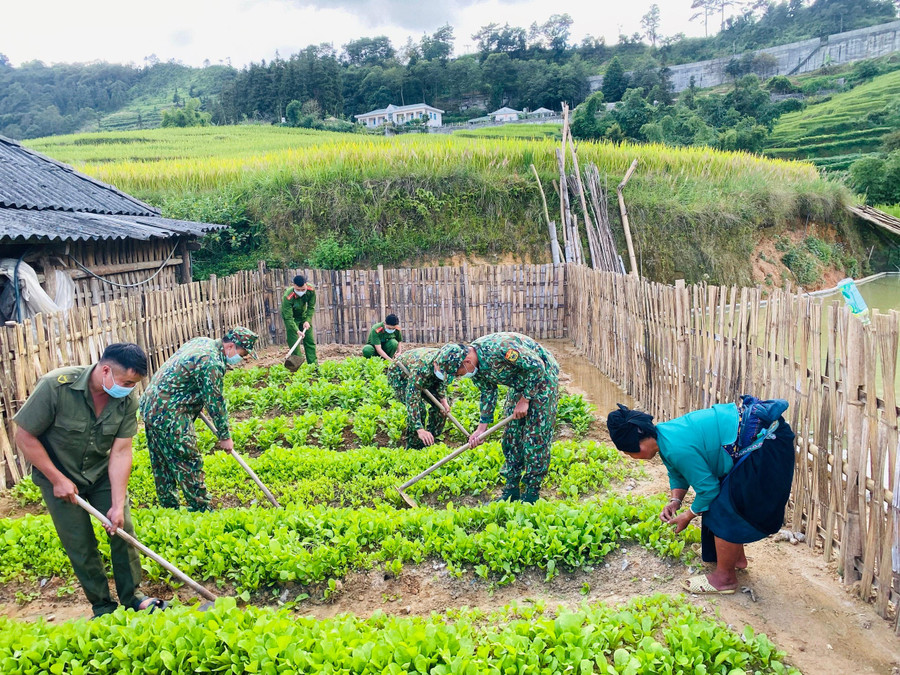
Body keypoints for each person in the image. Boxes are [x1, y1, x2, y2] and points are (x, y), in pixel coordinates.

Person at [13, 343, 167, 617]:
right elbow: (24, 436)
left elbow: (121, 452)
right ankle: (103, 606)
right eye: (127, 382)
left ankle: (133, 597)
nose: (130, 388)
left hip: (99, 473)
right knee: (80, 543)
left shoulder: (126, 399)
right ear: (105, 370)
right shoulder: (55, 387)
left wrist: (117, 505)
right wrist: (57, 478)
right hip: (56, 475)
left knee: (123, 529)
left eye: (134, 384)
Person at [605, 399, 795, 594]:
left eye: (630, 453)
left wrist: (688, 515)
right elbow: (677, 472)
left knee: (722, 507)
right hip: (757, 441)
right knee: (717, 501)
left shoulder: (675, 447)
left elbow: (708, 490)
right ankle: (735, 559)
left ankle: (725, 579)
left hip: (765, 446)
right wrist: (675, 501)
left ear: (640, 443)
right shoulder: (664, 436)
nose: (632, 457)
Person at [139, 327, 258, 511]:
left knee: (161, 462)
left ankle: (168, 510)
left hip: (151, 406)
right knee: (189, 460)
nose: (243, 359)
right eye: (242, 354)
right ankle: (202, 509)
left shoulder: (202, 342)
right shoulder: (212, 362)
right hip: (170, 413)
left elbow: (186, 375)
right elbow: (215, 403)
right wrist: (225, 436)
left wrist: (194, 398)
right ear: (231, 346)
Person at [460, 332, 559, 504]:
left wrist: (526, 399)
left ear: (467, 361)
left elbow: (537, 366)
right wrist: (481, 429)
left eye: (459, 372)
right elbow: (488, 392)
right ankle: (511, 490)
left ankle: (531, 495)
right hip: (520, 381)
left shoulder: (501, 349)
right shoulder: (475, 366)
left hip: (542, 378)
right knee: (511, 435)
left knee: (535, 437)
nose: (460, 376)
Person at [386, 345, 455, 449]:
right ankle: (414, 446)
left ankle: (430, 440)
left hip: (427, 375)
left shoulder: (448, 362)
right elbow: (412, 400)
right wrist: (419, 429)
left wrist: (443, 400)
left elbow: (440, 381)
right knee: (419, 409)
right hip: (401, 375)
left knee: (441, 408)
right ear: (436, 364)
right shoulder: (421, 368)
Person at [281, 274, 317, 366]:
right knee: (294, 343)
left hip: (304, 316)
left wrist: (307, 320)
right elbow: (288, 317)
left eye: (302, 289)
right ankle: (297, 369)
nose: (300, 291)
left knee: (309, 341)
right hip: (292, 319)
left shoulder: (311, 290)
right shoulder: (288, 297)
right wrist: (296, 330)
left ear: (306, 284)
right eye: (298, 290)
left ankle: (313, 366)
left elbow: (311, 307)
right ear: (294, 286)